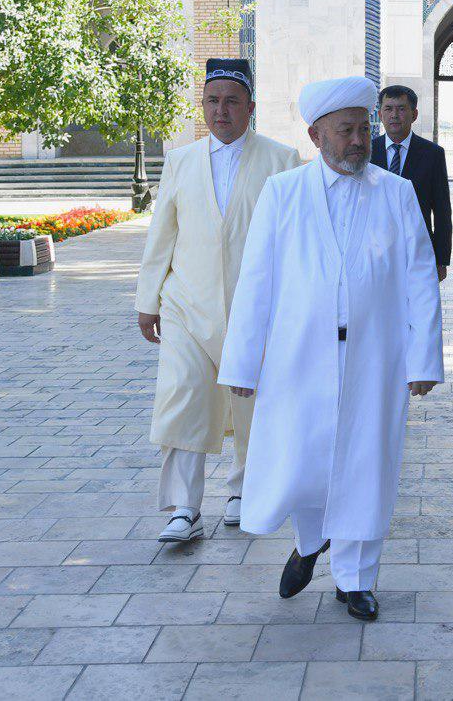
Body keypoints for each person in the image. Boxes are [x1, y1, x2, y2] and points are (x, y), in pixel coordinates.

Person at [218, 75, 444, 621]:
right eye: (346, 131)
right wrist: (243, 363)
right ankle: (310, 540)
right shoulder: (283, 193)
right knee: (305, 460)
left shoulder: (396, 193)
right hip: (299, 357)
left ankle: (355, 579)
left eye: (363, 130)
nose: (359, 141)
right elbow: (257, 281)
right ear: (316, 134)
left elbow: (419, 280)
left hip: (375, 359)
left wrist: (423, 358)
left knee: (367, 465)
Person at [135, 58, 300, 544]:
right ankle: (184, 509)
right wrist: (148, 301)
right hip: (187, 306)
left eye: (231, 101)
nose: (221, 111)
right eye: (212, 101)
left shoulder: (282, 160)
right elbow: (161, 235)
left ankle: (244, 491)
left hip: (257, 312)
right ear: (202, 106)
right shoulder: (180, 161)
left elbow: (294, 243)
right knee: (183, 397)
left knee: (251, 407)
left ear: (251, 106)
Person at [371, 85, 453, 281]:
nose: (394, 115)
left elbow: (442, 210)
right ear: (380, 114)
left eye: (401, 109)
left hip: (418, 249)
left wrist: (441, 259)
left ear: (414, 114)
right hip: (373, 249)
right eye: (388, 109)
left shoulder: (432, 154)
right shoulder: (368, 152)